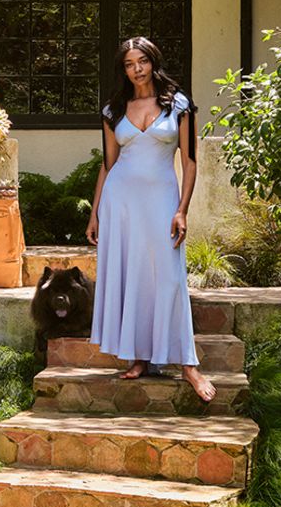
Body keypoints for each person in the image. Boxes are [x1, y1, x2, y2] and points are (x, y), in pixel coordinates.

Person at [84, 36, 213, 402]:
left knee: (169, 277)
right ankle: (140, 357)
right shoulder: (114, 110)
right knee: (132, 276)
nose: (136, 69)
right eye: (129, 63)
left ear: (153, 62)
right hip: (120, 203)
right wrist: (94, 214)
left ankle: (188, 365)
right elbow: (108, 166)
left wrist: (182, 209)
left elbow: (189, 162)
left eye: (142, 61)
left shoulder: (179, 105)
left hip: (161, 200)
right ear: (123, 69)